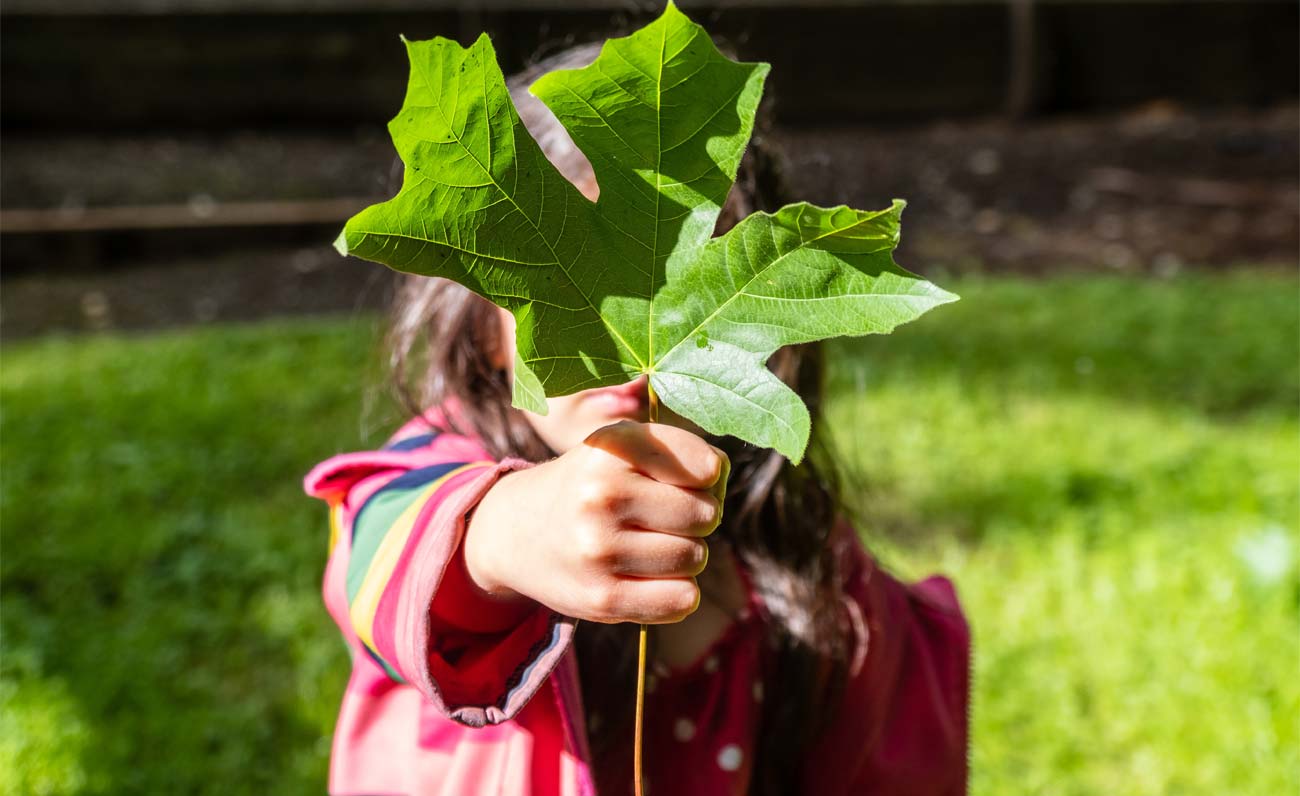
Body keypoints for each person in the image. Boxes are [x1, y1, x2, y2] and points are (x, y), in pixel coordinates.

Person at [304, 43, 970, 796]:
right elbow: (387, 560)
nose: (627, 343)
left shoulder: (813, 566)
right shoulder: (428, 476)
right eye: (568, 296)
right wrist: (504, 537)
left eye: (677, 285)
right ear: (480, 324)